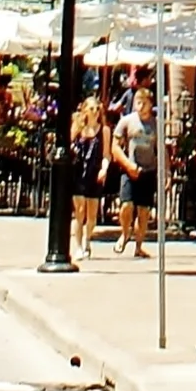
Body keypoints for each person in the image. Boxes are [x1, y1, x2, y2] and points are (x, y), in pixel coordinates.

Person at [108, 86, 157, 253]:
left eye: (144, 103)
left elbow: (161, 150)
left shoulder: (156, 124)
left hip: (148, 170)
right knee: (126, 205)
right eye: (138, 102)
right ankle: (124, 232)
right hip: (129, 169)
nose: (141, 106)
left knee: (144, 211)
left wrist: (167, 172)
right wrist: (128, 165)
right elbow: (115, 147)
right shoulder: (127, 121)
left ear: (151, 104)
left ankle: (139, 245)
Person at [68, 95, 108, 261]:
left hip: (94, 172)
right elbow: (70, 146)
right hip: (79, 172)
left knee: (92, 214)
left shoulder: (104, 130)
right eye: (92, 109)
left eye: (97, 109)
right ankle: (77, 245)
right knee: (80, 211)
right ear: (85, 110)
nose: (95, 112)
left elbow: (106, 154)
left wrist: (104, 169)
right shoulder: (78, 128)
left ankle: (87, 239)